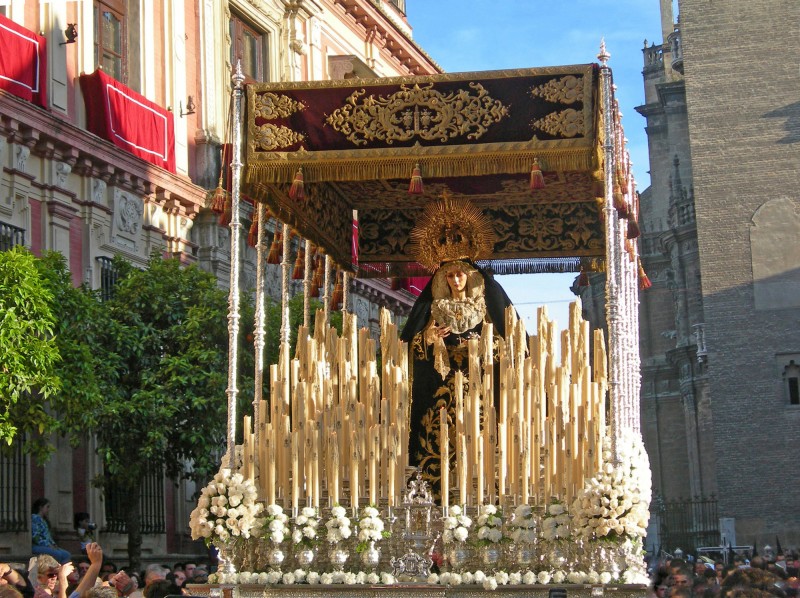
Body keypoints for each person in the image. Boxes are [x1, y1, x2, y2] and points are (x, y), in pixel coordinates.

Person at [400, 195, 517, 497]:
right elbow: (413, 343)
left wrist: (482, 344)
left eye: (460, 274)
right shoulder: (433, 307)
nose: (455, 279)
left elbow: (510, 342)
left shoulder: (487, 304)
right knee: (438, 439)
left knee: (482, 436)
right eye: (449, 275)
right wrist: (433, 339)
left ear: (470, 275)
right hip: (443, 387)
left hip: (480, 386)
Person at [31, 500, 70, 565]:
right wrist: (48, 545)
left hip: (48, 545)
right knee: (57, 554)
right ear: (40, 507)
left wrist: (53, 544)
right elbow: (35, 536)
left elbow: (48, 536)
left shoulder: (44, 520)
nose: (48, 510)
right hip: (37, 546)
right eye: (47, 507)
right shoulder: (35, 518)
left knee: (66, 554)